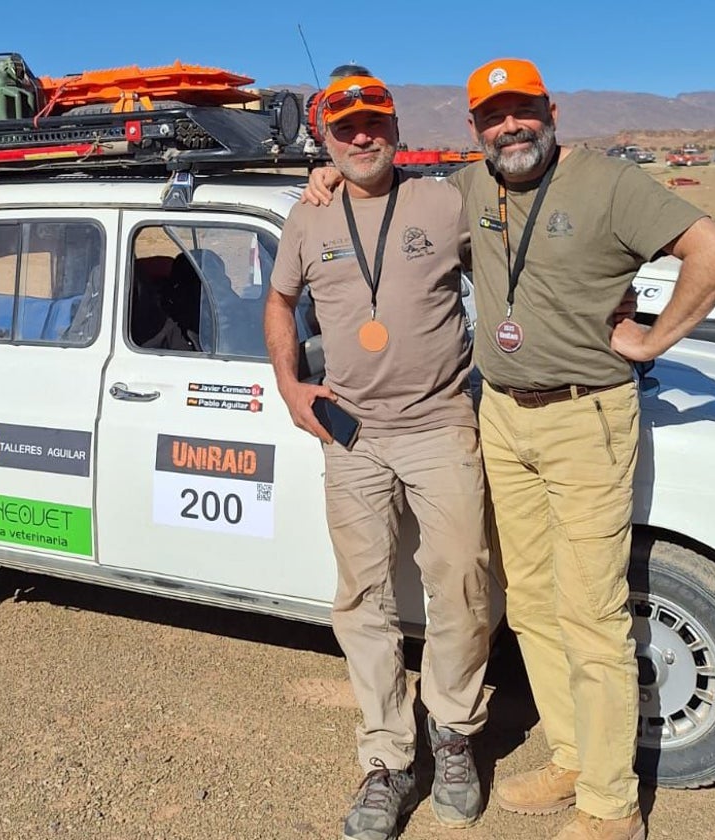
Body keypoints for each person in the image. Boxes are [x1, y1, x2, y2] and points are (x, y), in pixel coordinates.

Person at [303, 58, 715, 840]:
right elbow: (381, 196)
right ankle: (573, 754)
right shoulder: (470, 189)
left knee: (592, 611)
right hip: (501, 415)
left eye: (522, 111)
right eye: (493, 116)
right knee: (532, 602)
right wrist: (326, 179)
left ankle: (611, 805)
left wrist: (653, 339)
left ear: (551, 111)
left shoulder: (608, 183)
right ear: (474, 129)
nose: (510, 127)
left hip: (585, 417)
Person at [265, 74, 491, 840]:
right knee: (363, 597)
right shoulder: (309, 212)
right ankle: (389, 759)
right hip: (352, 433)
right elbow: (279, 301)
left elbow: (506, 250)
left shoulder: (444, 200)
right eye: (345, 129)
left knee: (461, 582)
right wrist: (291, 385)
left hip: (439, 423)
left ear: (394, 126)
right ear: (323, 140)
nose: (361, 139)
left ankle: (453, 736)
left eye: (373, 124)